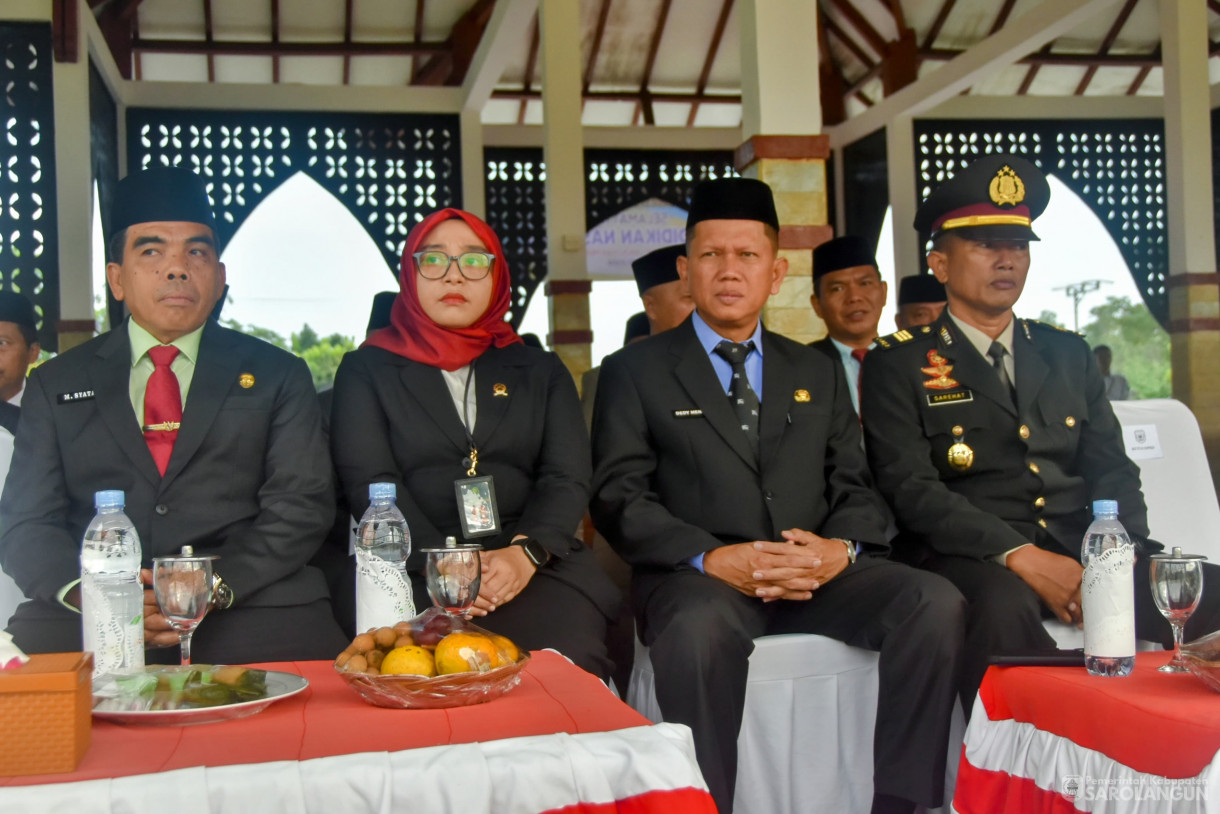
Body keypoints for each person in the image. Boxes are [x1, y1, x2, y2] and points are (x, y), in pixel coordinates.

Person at [591, 177, 965, 814]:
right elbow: (619, 496)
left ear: (776, 271)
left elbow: (855, 481)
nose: (729, 271)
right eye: (711, 255)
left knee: (933, 601)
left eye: (747, 256)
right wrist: (711, 558)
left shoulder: (813, 369)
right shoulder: (635, 370)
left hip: (813, 571)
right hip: (702, 579)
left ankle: (903, 802)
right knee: (697, 632)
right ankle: (705, 805)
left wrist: (838, 550)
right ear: (686, 270)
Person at [860, 154, 1220, 708]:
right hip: (976, 558)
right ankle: (1026, 775)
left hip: (1089, 545)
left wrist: (1110, 563)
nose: (1006, 260)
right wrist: (1023, 556)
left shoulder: (1067, 352)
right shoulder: (898, 362)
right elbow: (911, 489)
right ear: (939, 263)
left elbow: (1112, 469)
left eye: (1019, 246)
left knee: (1208, 588)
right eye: (985, 246)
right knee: (1001, 610)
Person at [0, 166, 347, 662]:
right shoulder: (57, 383)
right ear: (116, 279)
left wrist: (212, 587)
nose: (177, 267)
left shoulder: (277, 373)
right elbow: (27, 522)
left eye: (197, 252)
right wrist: (90, 595)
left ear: (220, 277)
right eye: (152, 250)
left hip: (252, 603)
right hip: (89, 614)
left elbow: (301, 506)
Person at [330, 208, 620, 678]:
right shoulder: (367, 370)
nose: (454, 276)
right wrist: (445, 564)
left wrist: (524, 553)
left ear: (496, 276)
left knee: (565, 662)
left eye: (473, 261)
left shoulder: (538, 371)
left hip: (530, 565)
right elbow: (370, 478)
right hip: (413, 566)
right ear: (411, 273)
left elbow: (565, 477)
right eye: (434, 261)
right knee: (414, 671)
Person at [581, 244, 695, 429]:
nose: (702, 310)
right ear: (651, 307)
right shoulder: (613, 376)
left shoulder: (726, 364)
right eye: (689, 298)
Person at [808, 235, 887, 417]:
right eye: (838, 288)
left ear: (883, 292)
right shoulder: (802, 367)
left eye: (865, 283)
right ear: (817, 304)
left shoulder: (910, 362)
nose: (854, 297)